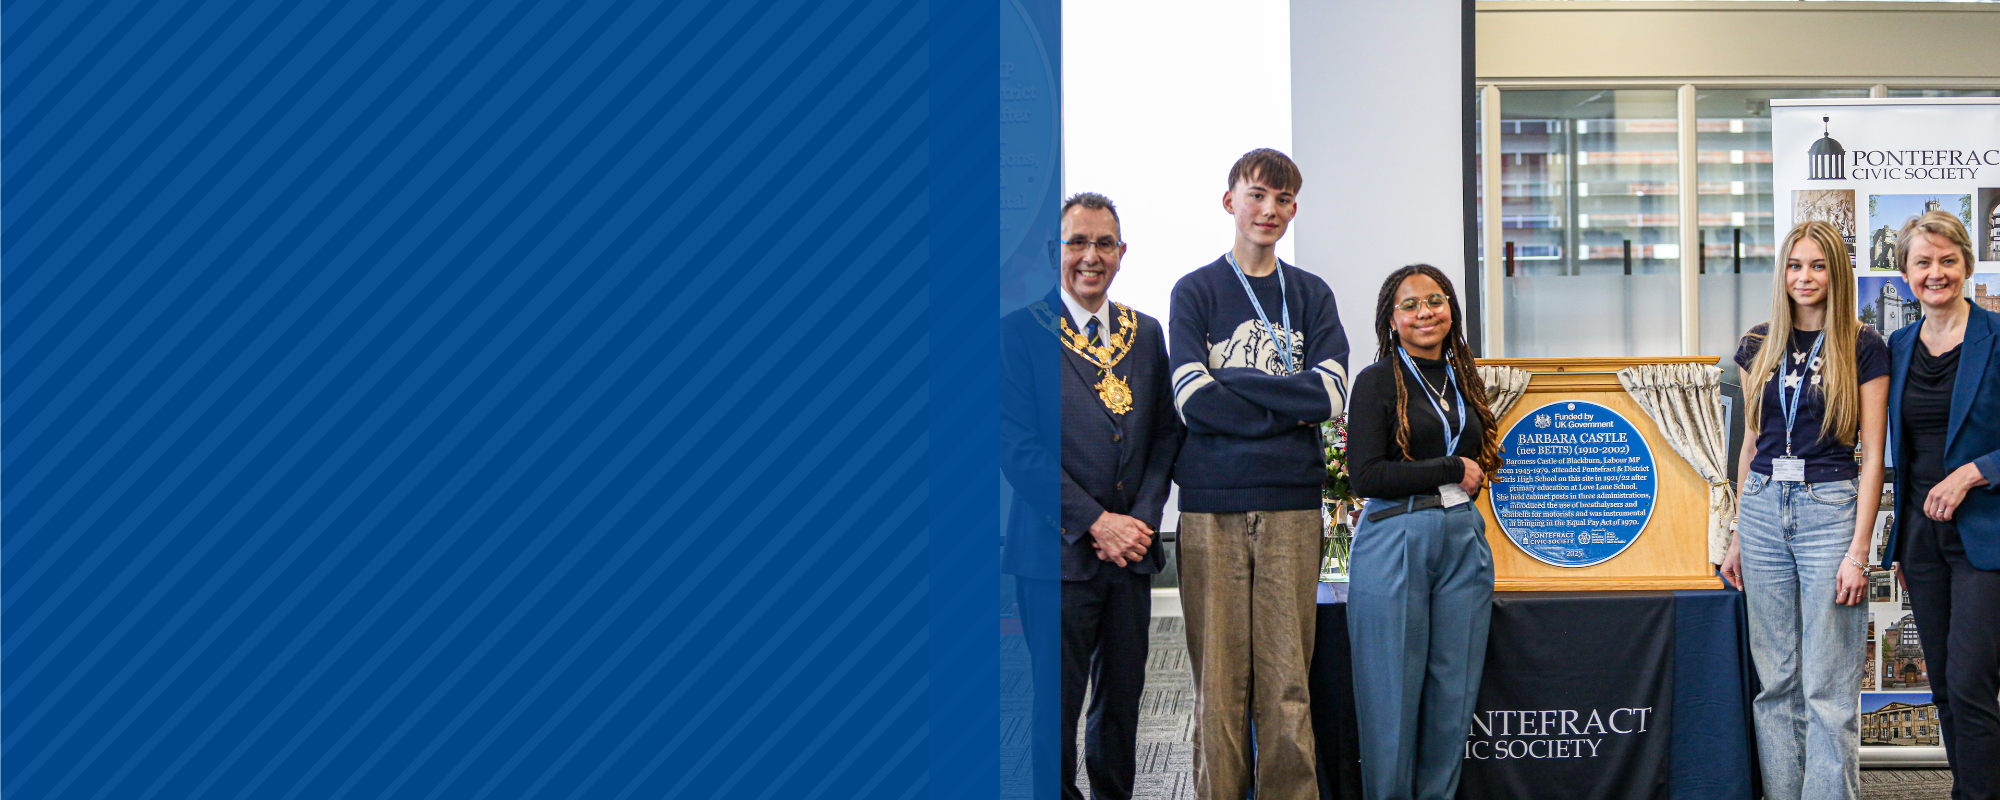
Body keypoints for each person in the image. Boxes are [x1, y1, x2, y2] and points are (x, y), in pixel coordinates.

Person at [1169, 148, 1348, 800]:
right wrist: (1282, 402)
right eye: (1256, 196)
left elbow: (1329, 396)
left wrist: (1235, 388)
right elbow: (1192, 399)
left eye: (1282, 199)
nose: (1268, 210)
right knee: (1219, 682)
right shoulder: (1195, 291)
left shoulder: (1311, 293)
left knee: (1285, 683)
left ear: (1293, 209)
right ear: (1230, 202)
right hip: (1210, 506)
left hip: (1291, 508)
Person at [1001, 192, 1183, 800]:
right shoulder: (1017, 334)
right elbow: (1016, 448)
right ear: (1055, 252)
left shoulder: (1145, 332)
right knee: (1056, 709)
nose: (1091, 256)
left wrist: (1139, 522)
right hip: (1056, 557)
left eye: (1104, 243)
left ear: (1122, 253)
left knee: (1122, 705)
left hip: (1129, 557)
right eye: (1077, 242)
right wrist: (1095, 522)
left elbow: (1164, 436)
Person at [1719, 219, 1887, 800]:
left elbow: (1872, 457)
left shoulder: (1864, 345)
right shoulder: (1756, 344)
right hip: (1763, 507)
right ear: (1782, 273)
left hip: (1830, 511)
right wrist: (1738, 533)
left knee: (1828, 687)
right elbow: (1749, 444)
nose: (1805, 277)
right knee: (1776, 683)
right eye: (1795, 265)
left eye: (1817, 265)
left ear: (1835, 273)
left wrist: (1859, 551)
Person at [1343, 264, 1499, 800]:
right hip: (1397, 534)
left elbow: (1478, 452)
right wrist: (1450, 469)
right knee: (1392, 696)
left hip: (1461, 535)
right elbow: (1365, 475)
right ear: (1392, 318)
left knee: (1453, 696)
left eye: (1435, 300)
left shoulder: (1462, 376)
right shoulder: (1376, 380)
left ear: (1451, 308)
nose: (1425, 312)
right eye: (1410, 305)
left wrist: (1460, 479)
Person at [1878, 210, 2000, 800]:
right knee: (1946, 688)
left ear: (1966, 265)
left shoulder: (1997, 337)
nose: (1936, 273)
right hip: (1921, 542)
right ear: (1904, 273)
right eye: (1922, 262)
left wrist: (1974, 473)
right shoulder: (1896, 346)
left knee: (1972, 681)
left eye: (1947, 260)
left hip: (1986, 534)